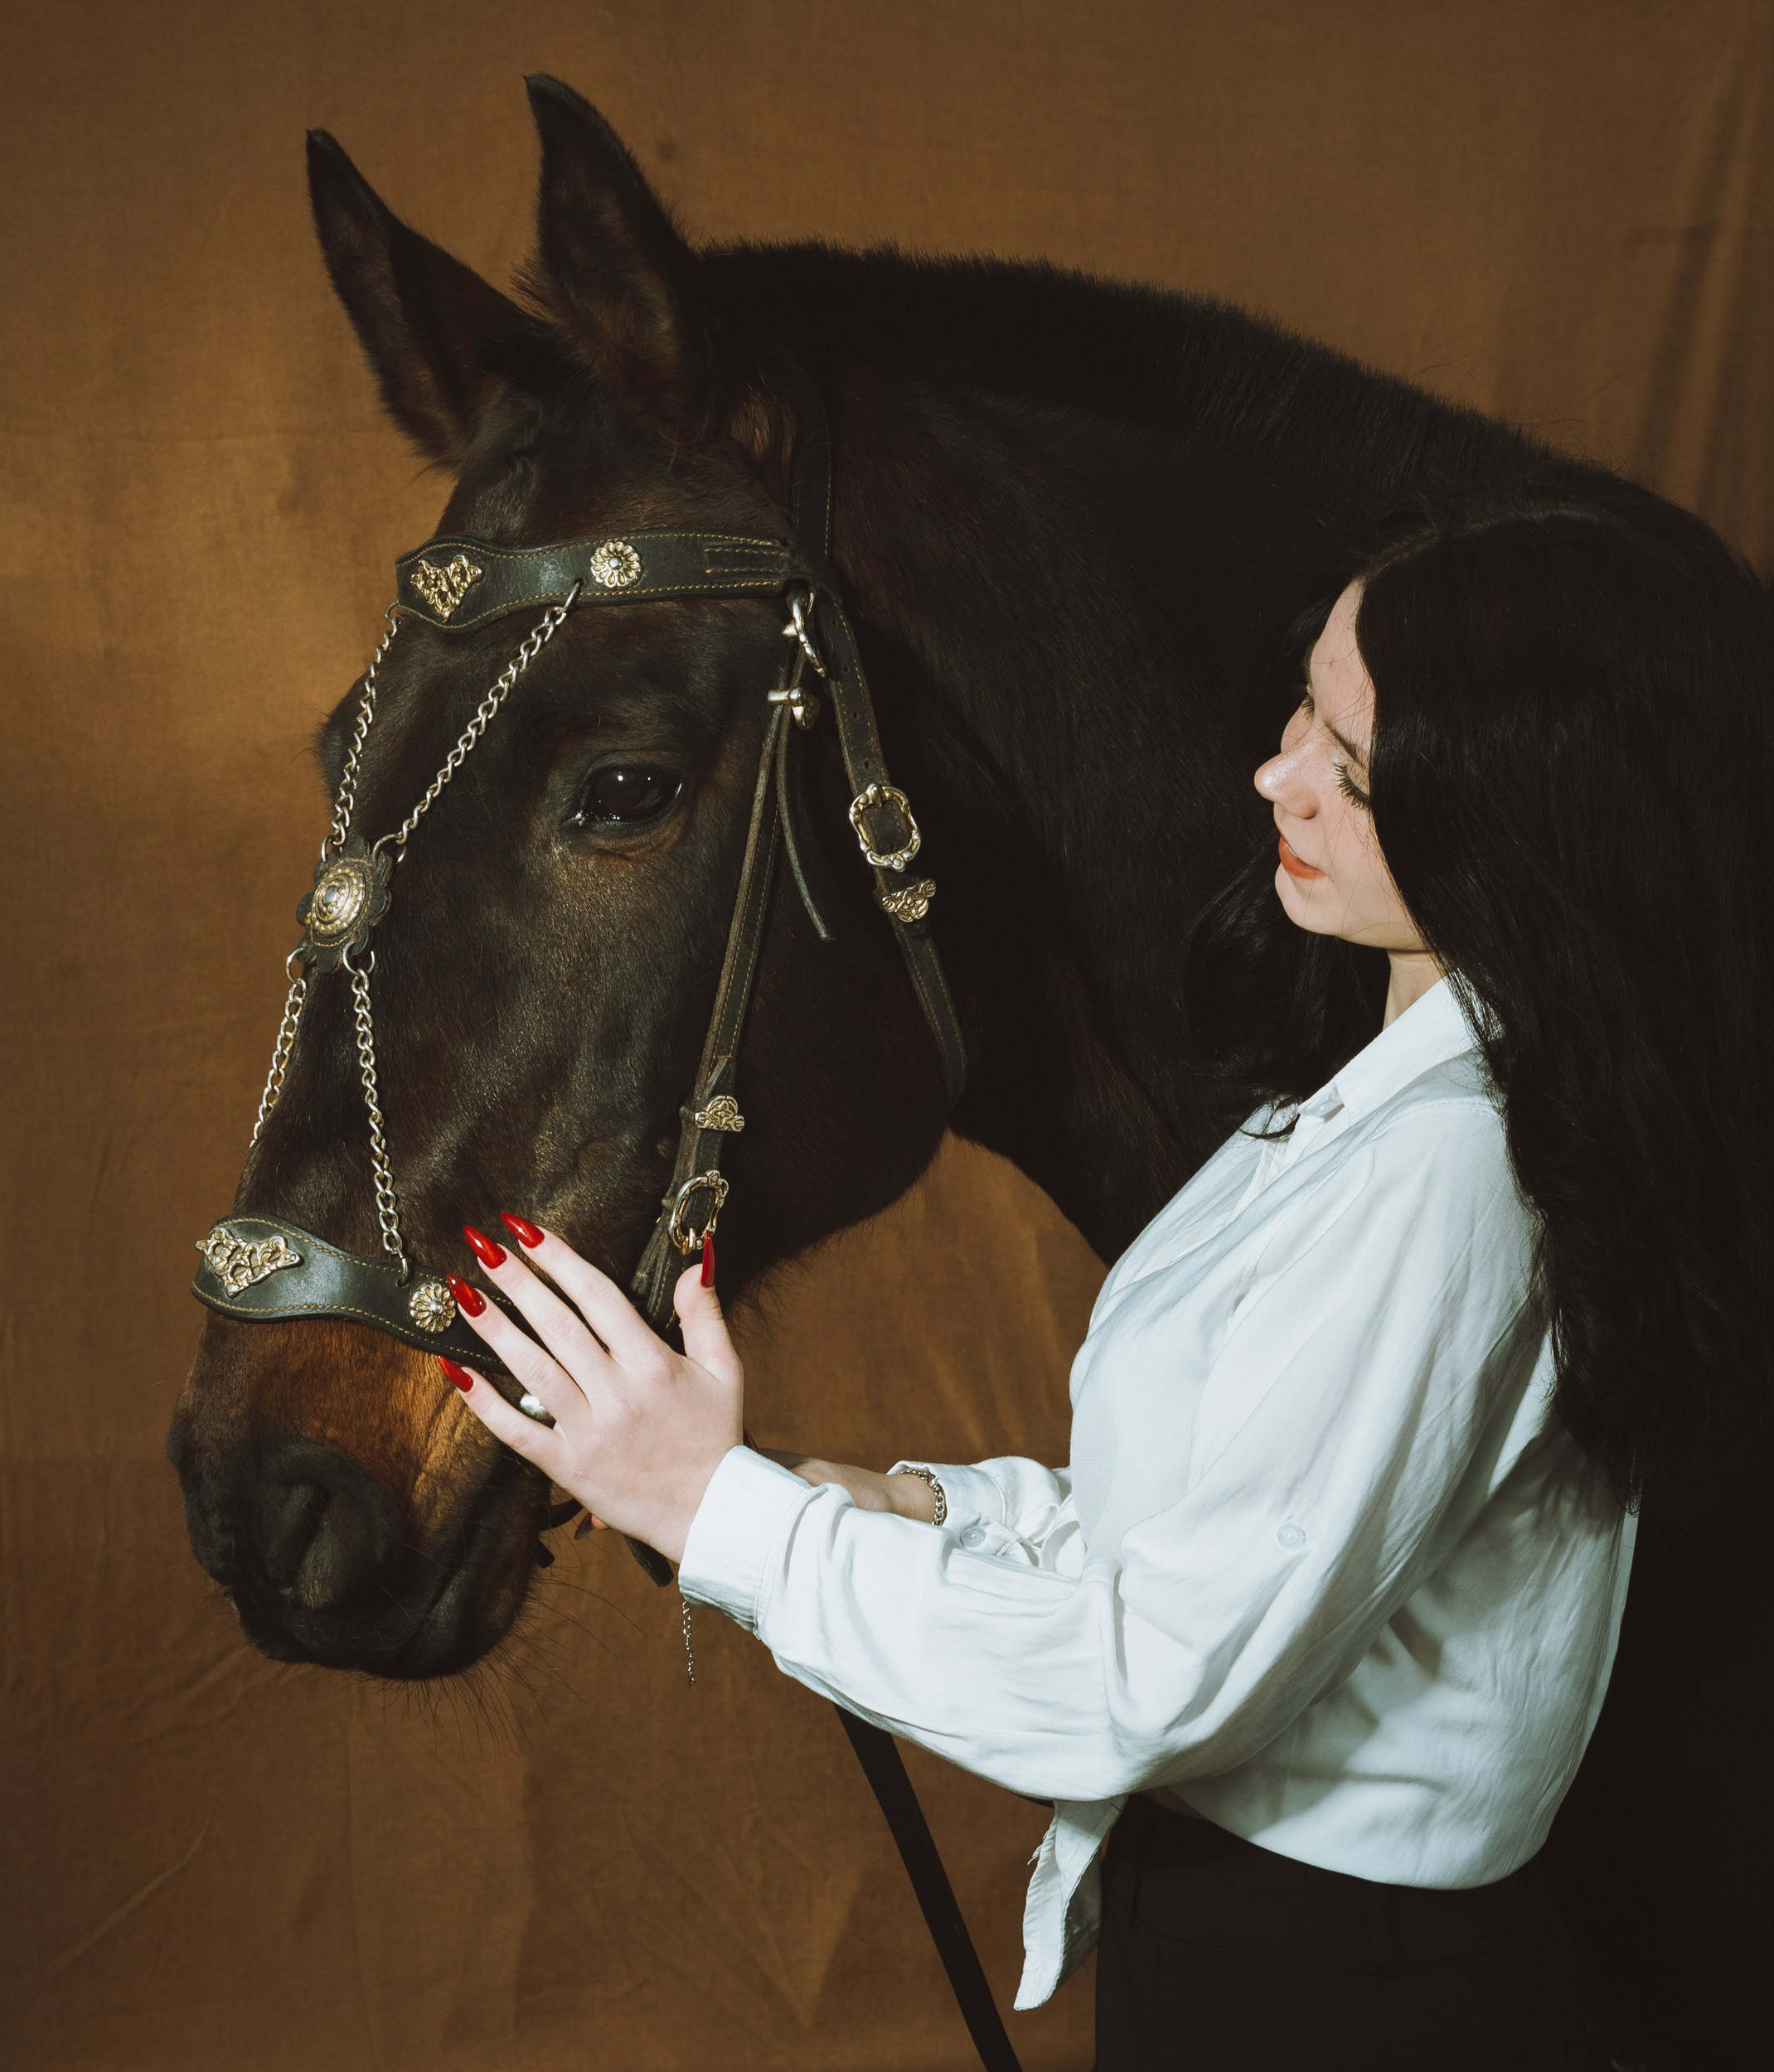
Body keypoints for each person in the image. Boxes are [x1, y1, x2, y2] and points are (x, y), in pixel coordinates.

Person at [436, 489, 1772, 2070]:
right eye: (1303, 706)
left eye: (1353, 773)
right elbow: (1216, 1533)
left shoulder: (1446, 1170)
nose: (1278, 775)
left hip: (1330, 1997)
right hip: (1255, 1935)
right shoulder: (1378, 1101)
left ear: (1519, 825)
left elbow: (1156, 1684)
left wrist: (715, 1511)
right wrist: (863, 1504)